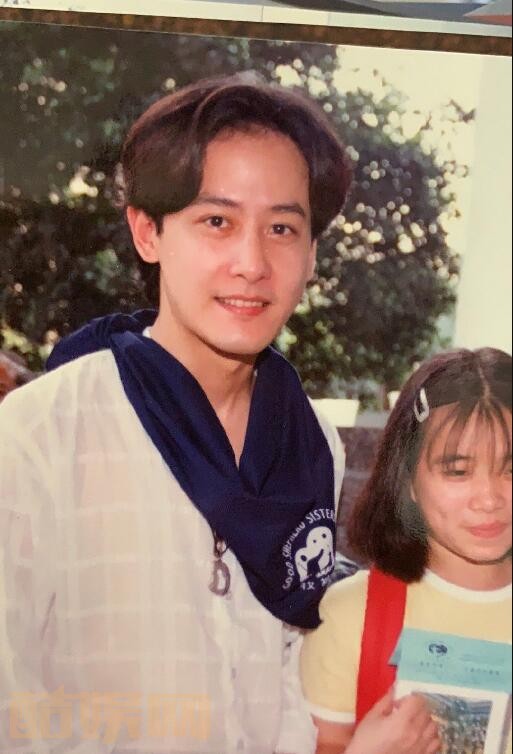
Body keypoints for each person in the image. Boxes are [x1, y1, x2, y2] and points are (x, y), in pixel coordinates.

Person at [0, 74, 352, 754]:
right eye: (216, 222)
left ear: (311, 252)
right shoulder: (43, 434)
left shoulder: (311, 446)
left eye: (282, 228)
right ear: (148, 232)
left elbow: (294, 682)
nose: (251, 263)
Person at [301, 347, 512, 754]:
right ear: (408, 479)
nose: (489, 498)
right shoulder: (350, 615)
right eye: (458, 471)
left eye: (511, 469)